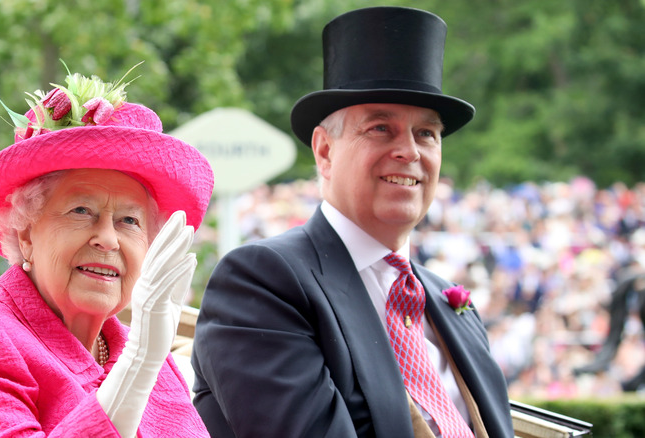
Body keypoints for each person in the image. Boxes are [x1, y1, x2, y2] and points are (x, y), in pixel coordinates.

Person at [192, 7, 514, 438]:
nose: (409, 151)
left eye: (426, 134)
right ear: (324, 152)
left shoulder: (448, 301)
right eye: (381, 128)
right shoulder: (262, 282)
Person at [0, 67, 213, 437]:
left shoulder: (150, 353)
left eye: (129, 221)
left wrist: (144, 358)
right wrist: (136, 367)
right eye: (82, 211)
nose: (108, 239)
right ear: (25, 233)